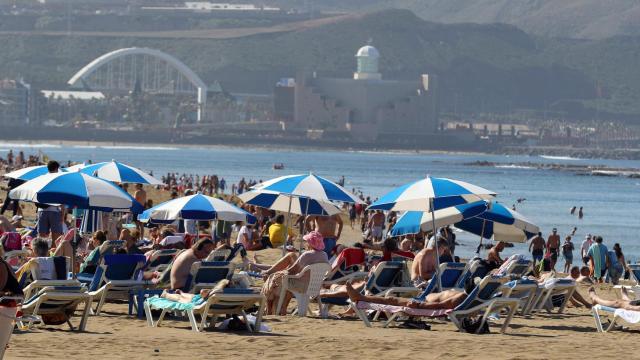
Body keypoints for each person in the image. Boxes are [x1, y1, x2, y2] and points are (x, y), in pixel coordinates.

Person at [260, 230, 329, 315]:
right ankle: (282, 308)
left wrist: (276, 274)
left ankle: (270, 310)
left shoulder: (307, 255)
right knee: (281, 279)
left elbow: (291, 271)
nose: (306, 243)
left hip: (300, 286)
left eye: (307, 241)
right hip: (315, 286)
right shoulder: (324, 255)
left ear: (311, 243)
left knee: (272, 281)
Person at [345, 276, 474, 310]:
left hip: (421, 304)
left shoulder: (460, 298)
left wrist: (419, 306)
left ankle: (360, 297)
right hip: (422, 299)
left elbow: (442, 306)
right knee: (390, 298)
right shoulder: (464, 295)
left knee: (391, 300)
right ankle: (364, 296)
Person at [36, 160, 64, 242]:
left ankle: (41, 254)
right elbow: (61, 197)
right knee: (56, 239)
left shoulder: (42, 178)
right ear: (56, 168)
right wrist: (63, 213)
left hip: (41, 210)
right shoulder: (58, 179)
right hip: (54, 210)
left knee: (41, 239)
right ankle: (53, 254)